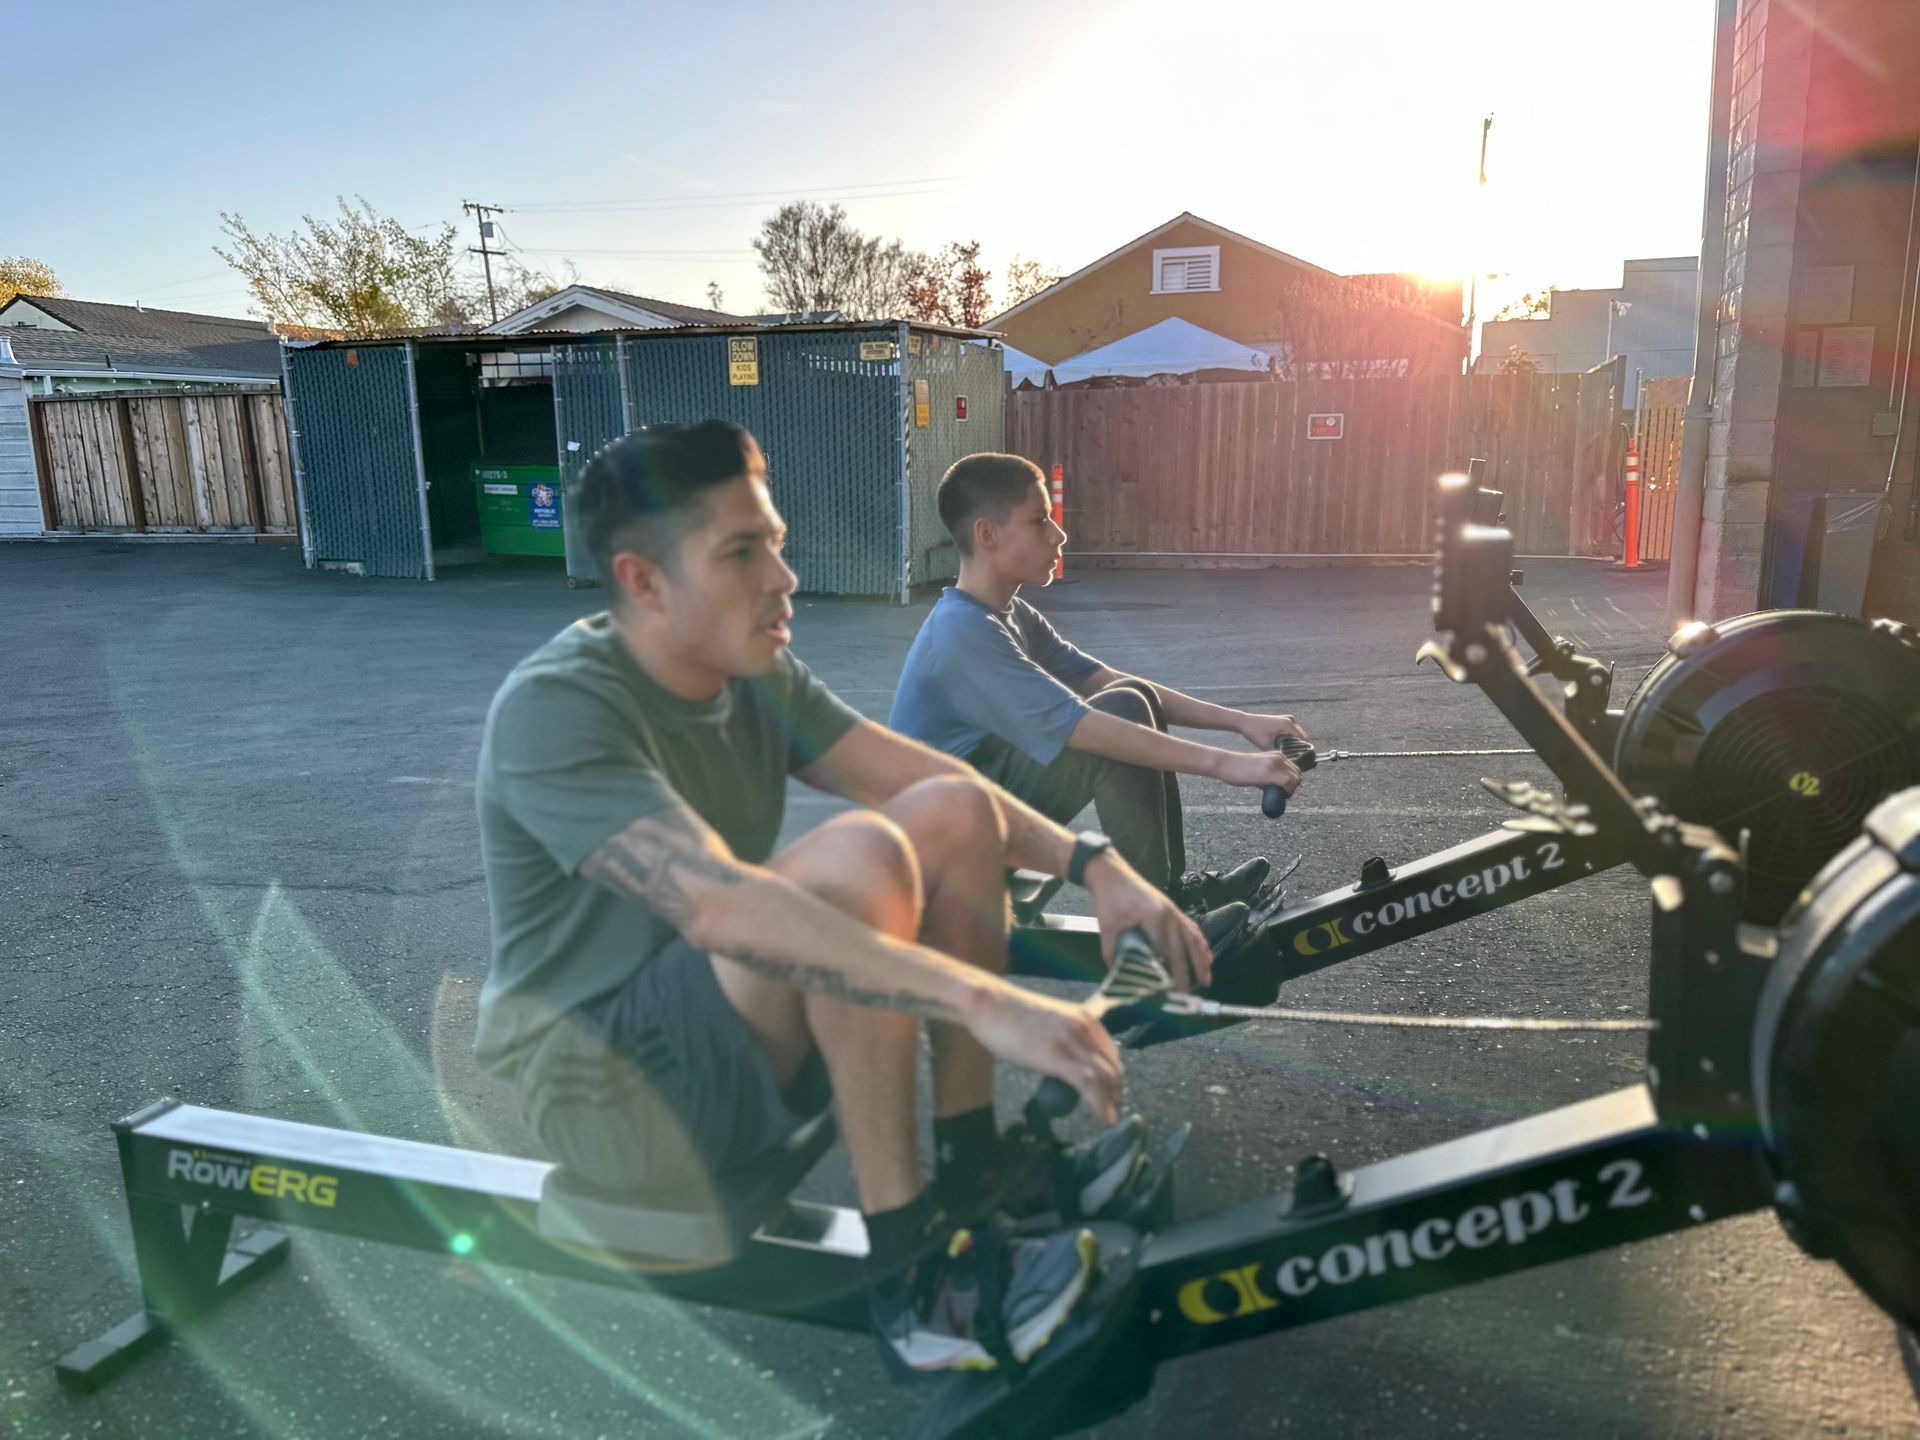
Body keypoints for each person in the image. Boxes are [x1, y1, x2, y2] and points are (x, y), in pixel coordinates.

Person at [473, 422, 1212, 1377]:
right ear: (644, 582)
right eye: (743, 553)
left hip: (720, 1040)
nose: (783, 576)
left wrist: (1098, 868)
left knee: (945, 808)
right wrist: (985, 1001)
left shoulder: (752, 671)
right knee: (860, 861)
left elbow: (934, 783)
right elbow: (720, 909)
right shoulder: (559, 707)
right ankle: (912, 1279)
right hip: (607, 1096)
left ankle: (974, 1167)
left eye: (774, 540)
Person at [888, 453, 1309, 912]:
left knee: (1133, 697)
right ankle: (1156, 915)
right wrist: (1231, 766)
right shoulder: (961, 632)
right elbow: (1082, 727)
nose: (1058, 534)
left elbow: (1109, 682)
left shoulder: (1010, 615)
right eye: (1039, 520)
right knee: (1121, 713)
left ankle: (1169, 893)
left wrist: (1243, 723)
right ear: (987, 534)